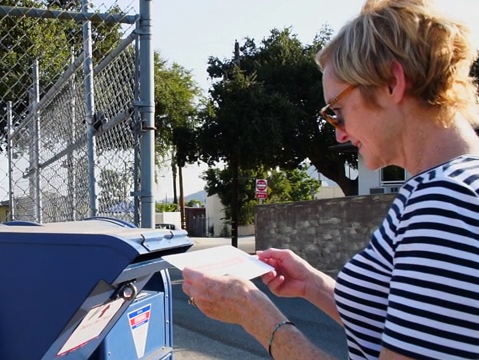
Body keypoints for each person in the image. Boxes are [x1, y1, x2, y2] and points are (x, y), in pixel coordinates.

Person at [181, 0, 479, 359]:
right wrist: (314, 286)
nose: (338, 134)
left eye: (336, 112)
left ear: (391, 82)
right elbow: (401, 326)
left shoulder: (444, 203)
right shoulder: (450, 187)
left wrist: (254, 315)